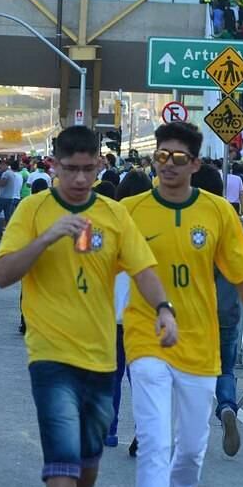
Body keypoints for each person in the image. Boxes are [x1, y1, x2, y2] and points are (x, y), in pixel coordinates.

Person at [0, 126, 176, 487]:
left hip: (100, 357)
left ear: (100, 166)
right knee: (62, 455)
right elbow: (2, 274)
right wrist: (47, 238)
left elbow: (144, 269)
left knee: (90, 458)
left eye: (87, 169)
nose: (78, 178)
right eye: (69, 169)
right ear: (53, 165)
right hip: (50, 355)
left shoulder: (114, 215)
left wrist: (163, 310)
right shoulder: (33, 210)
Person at [121, 123, 243, 487]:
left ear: (195, 164)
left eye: (178, 159)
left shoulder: (217, 214)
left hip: (200, 347)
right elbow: (92, 255)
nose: (168, 166)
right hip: (146, 339)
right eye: (161, 157)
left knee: (189, 448)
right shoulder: (129, 211)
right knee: (153, 442)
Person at [191, 164, 243, 458]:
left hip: (195, 312)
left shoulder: (188, 221)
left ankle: (189, 429)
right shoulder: (232, 221)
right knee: (225, 369)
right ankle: (227, 406)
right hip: (228, 311)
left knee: (189, 372)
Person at [105, 169, 153, 449]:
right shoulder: (157, 225)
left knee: (111, 376)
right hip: (144, 314)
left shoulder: (110, 220)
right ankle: (144, 431)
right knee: (144, 379)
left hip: (111, 312)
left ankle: (108, 432)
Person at [0, 157, 23, 238]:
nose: (0, 167)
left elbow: (2, 183)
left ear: (5, 165)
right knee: (9, 217)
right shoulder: (13, 174)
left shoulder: (6, 174)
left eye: (1, 165)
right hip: (12, 197)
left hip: (4, 197)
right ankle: (11, 233)